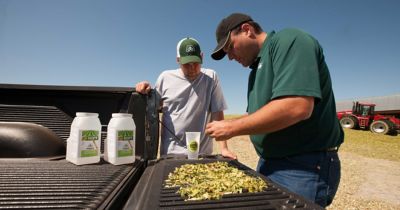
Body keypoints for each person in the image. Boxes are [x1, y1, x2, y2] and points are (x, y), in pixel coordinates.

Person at [205, 13, 344, 207]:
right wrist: (226, 124)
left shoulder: (289, 41)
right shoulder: (255, 71)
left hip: (303, 166)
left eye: (230, 47)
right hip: (270, 162)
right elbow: (258, 115)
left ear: (247, 30)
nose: (230, 57)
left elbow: (297, 106)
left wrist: (231, 127)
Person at [135, 37, 236, 159]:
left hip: (202, 154)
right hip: (170, 154)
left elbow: (217, 112)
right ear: (178, 60)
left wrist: (224, 148)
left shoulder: (211, 78)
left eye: (196, 63)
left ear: (202, 57)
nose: (192, 68)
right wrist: (145, 90)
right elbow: (153, 108)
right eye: (187, 64)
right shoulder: (165, 77)